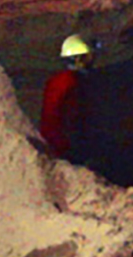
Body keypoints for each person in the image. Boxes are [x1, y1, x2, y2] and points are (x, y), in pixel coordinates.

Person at [40, 33, 95, 162]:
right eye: (86, 58)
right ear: (77, 59)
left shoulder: (59, 80)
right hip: (64, 145)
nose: (90, 61)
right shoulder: (70, 83)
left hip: (56, 143)